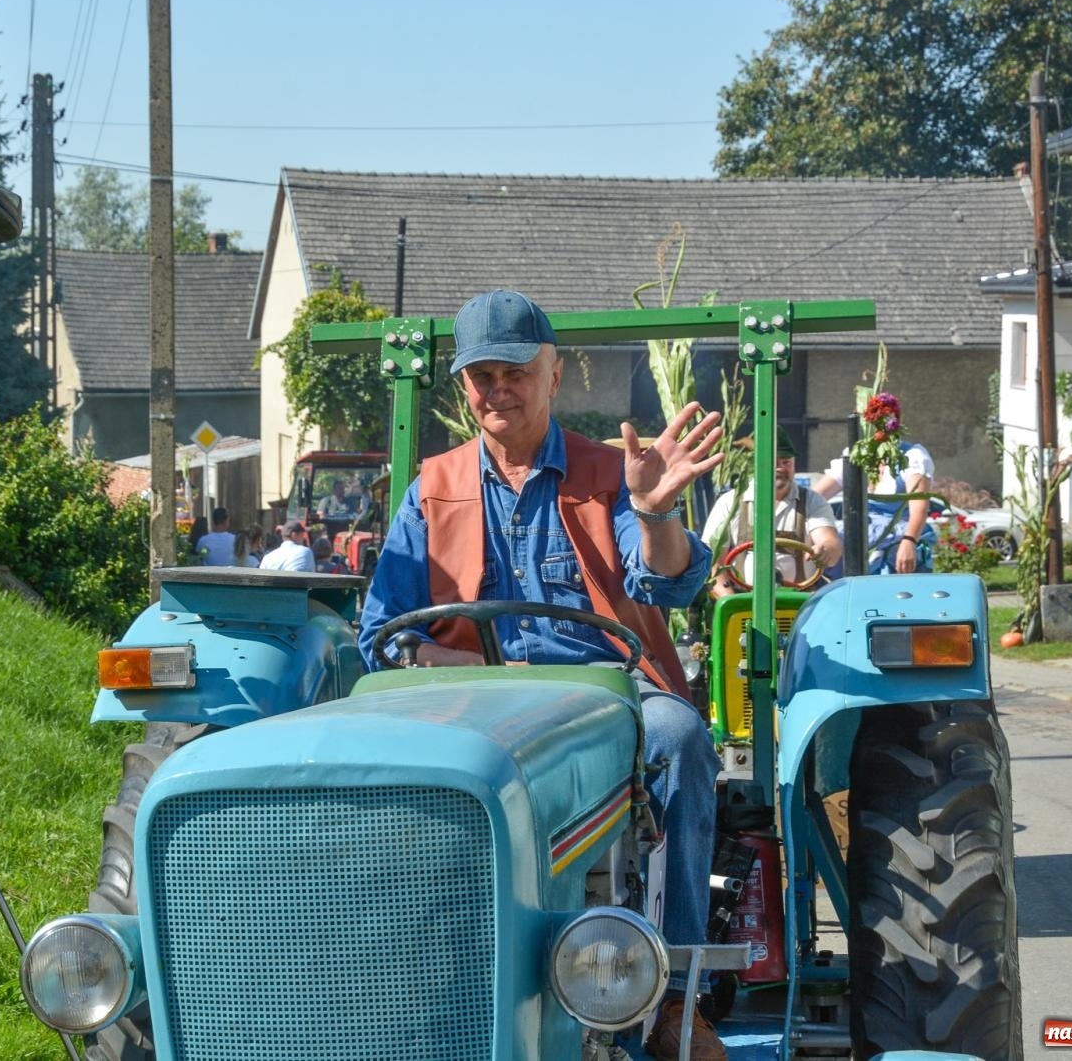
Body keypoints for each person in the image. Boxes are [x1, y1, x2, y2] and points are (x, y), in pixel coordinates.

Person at [356, 288, 727, 1060]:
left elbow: (666, 583)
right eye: (481, 375)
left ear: (554, 375)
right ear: (462, 387)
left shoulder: (608, 473)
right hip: (469, 704)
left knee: (679, 736)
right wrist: (461, 661)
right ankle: (394, 978)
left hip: (604, 698)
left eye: (515, 371)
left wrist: (655, 513)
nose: (498, 390)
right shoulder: (431, 488)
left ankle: (669, 991)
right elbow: (382, 638)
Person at [701, 427, 842, 595]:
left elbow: (830, 543)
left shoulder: (812, 502)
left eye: (786, 462)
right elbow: (714, 564)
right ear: (757, 464)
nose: (781, 468)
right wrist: (731, 604)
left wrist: (825, 550)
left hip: (799, 602)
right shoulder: (729, 502)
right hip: (742, 600)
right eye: (774, 463)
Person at [812, 438, 935, 574]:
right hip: (860, 534)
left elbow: (919, 508)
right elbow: (816, 496)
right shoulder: (856, 454)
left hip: (896, 536)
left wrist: (909, 541)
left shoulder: (912, 456)